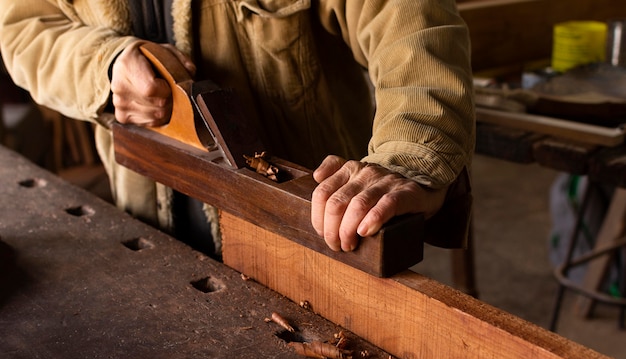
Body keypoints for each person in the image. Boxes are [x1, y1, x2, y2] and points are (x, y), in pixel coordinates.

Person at [0, 0, 474, 257]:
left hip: (312, 234)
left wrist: (412, 151)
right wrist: (104, 65)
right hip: (147, 218)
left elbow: (409, 20)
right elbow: (23, 28)